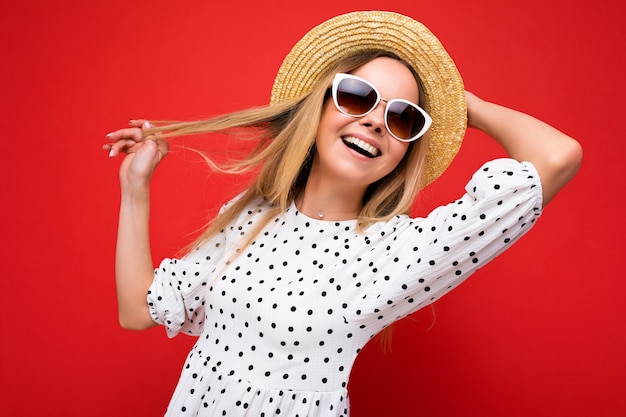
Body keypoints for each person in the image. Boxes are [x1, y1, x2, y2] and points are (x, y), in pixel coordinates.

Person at [103, 11, 582, 417]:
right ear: (320, 106)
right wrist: (135, 186)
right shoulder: (251, 214)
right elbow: (140, 312)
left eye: (403, 117)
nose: (376, 120)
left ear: (406, 149)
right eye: (358, 96)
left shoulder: (399, 250)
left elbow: (558, 155)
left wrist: (461, 106)